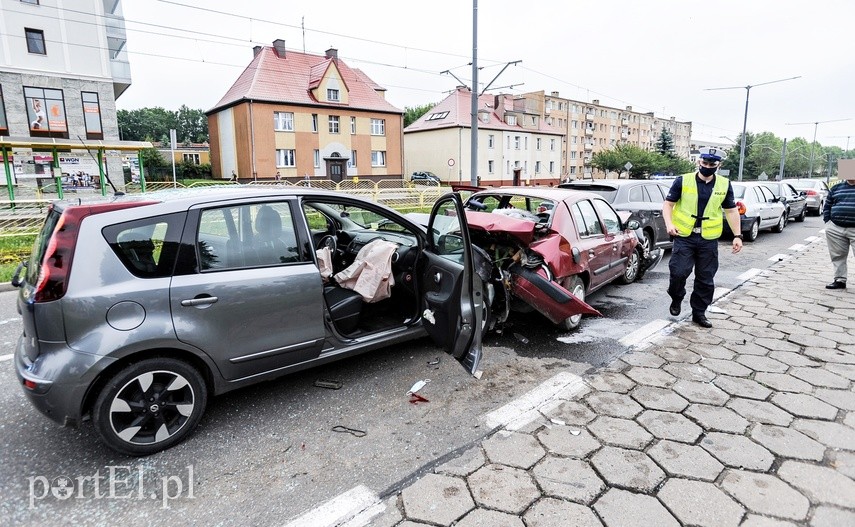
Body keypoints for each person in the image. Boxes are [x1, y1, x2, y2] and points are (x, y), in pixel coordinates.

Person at [662, 147, 743, 328]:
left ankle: (699, 313)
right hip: (684, 236)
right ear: (699, 162)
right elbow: (668, 205)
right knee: (678, 273)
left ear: (718, 165)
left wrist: (737, 235)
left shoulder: (724, 184)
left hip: (708, 239)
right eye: (704, 163)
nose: (707, 167)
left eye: (712, 164)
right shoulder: (683, 181)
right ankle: (676, 296)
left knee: (705, 279)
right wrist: (669, 224)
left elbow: (731, 211)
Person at [822, 167, 855, 289]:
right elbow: (828, 205)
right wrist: (828, 221)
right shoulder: (836, 188)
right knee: (837, 255)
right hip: (836, 228)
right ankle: (840, 280)